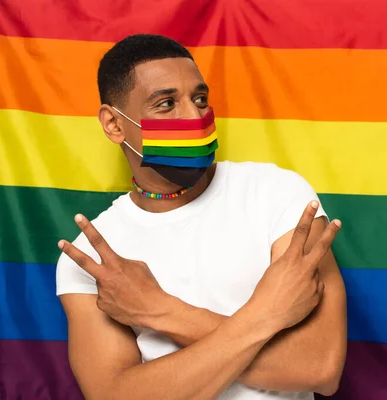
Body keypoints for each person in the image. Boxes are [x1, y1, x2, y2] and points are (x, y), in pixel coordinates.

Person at [55, 34, 347, 400]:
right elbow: (115, 394)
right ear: (114, 125)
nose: (194, 115)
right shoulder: (94, 257)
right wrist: (268, 312)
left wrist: (158, 310)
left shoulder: (277, 194)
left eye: (200, 99)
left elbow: (319, 368)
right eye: (166, 103)